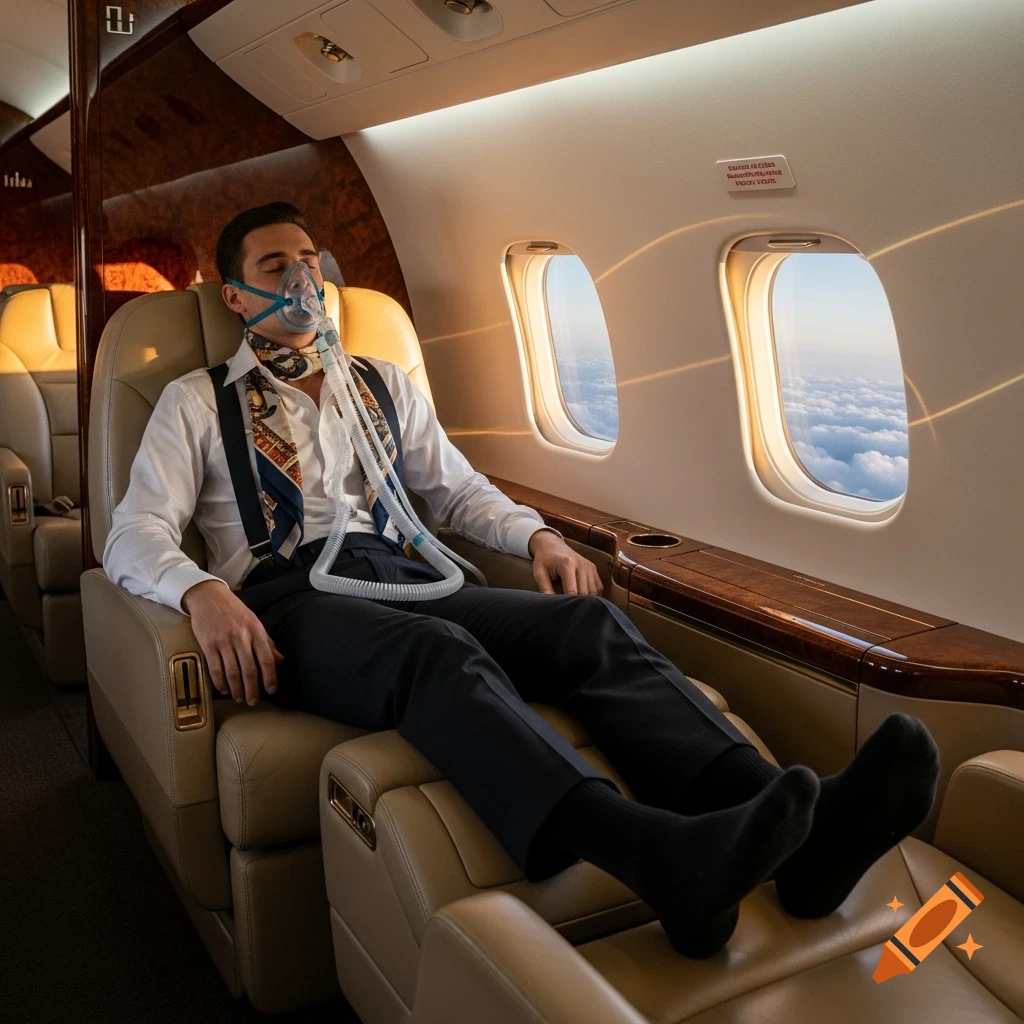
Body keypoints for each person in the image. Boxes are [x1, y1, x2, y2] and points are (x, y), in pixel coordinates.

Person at [105, 202, 940, 957]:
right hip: (293, 602)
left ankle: (806, 838)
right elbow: (132, 533)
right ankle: (658, 858)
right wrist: (199, 591)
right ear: (235, 299)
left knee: (585, 627)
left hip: (404, 572)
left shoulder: (382, 383)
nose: (302, 279)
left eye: (310, 260)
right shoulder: (195, 401)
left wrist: (536, 534)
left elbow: (456, 492)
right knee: (434, 652)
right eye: (274, 268)